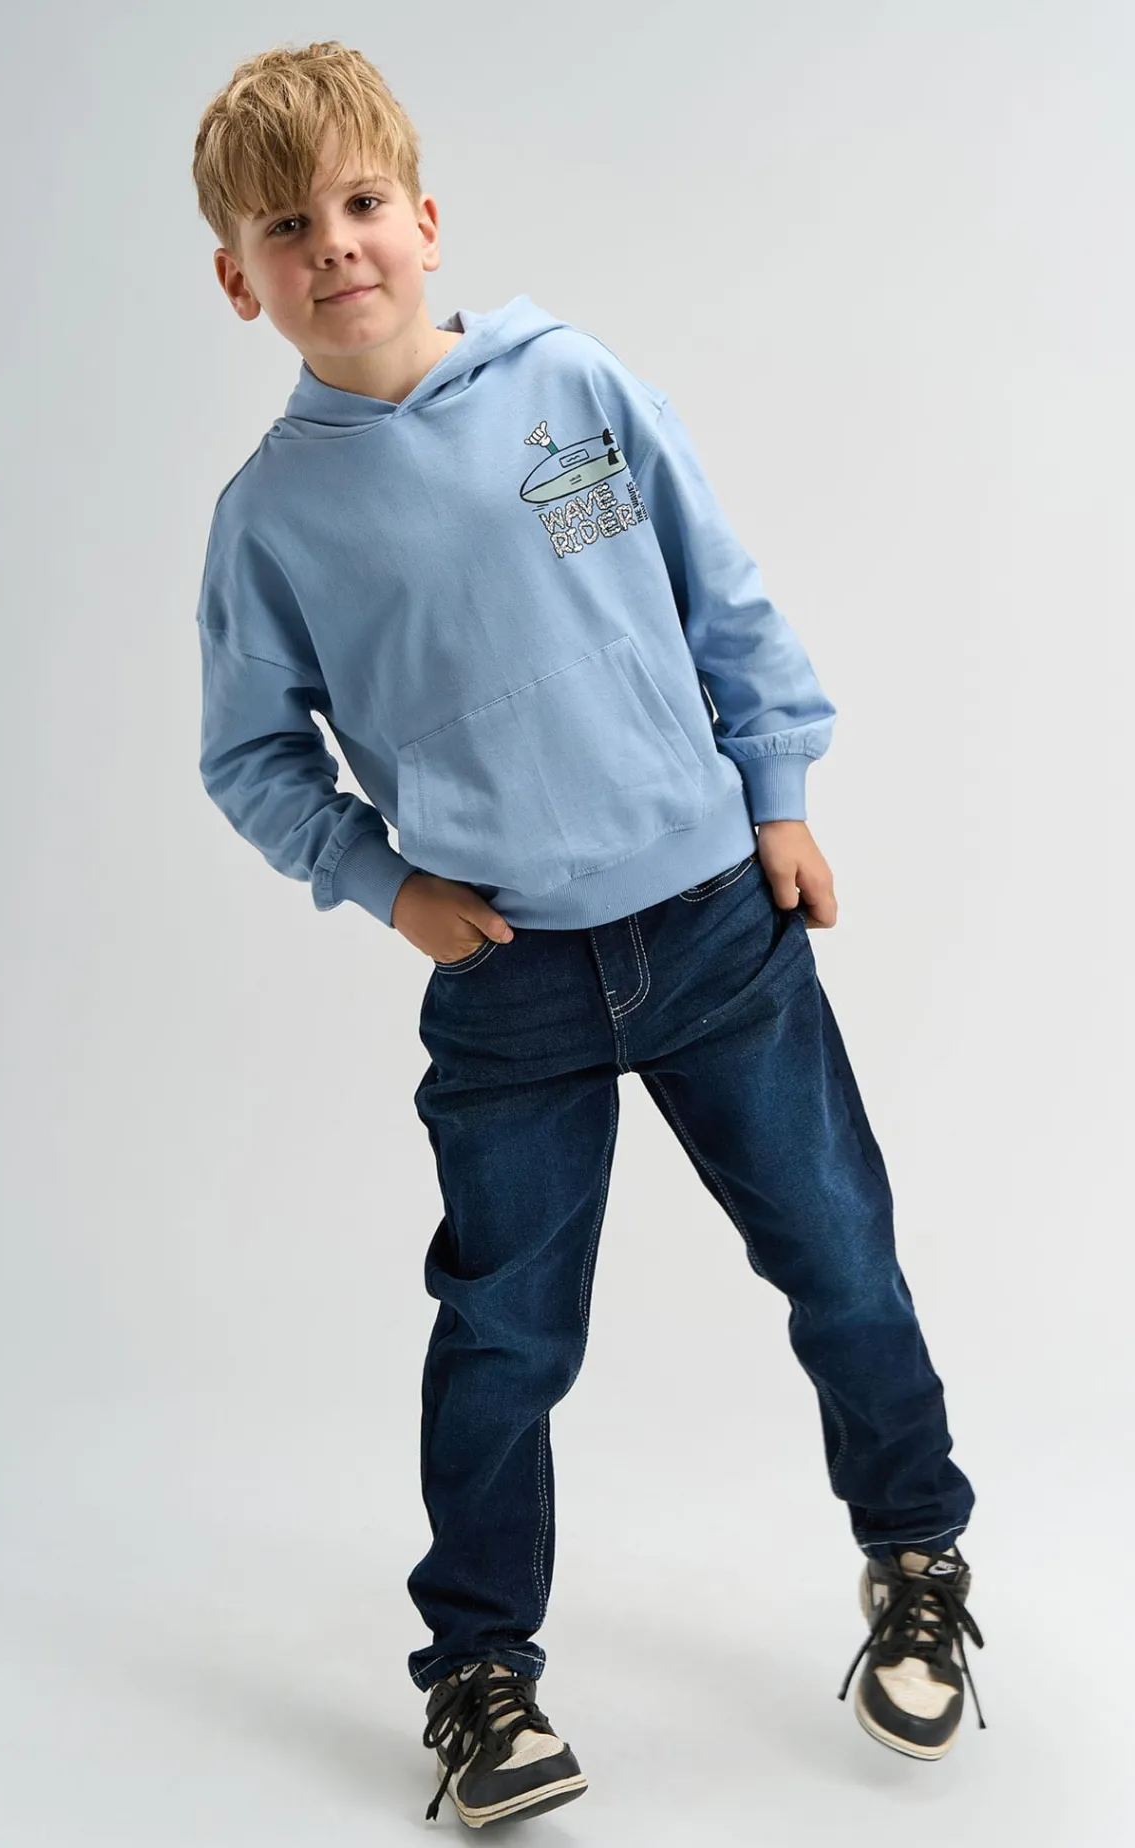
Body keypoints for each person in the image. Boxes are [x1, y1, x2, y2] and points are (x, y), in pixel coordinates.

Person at [189, 39, 984, 1830]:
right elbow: (250, 756)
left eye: (362, 204)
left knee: (840, 1256)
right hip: (512, 987)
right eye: (289, 228)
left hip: (715, 929)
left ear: (427, 218)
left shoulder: (571, 385)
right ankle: (479, 1674)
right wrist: (388, 885)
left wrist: (779, 792)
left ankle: (919, 1556)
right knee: (505, 1339)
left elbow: (723, 595)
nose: (336, 246)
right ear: (240, 281)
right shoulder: (273, 519)